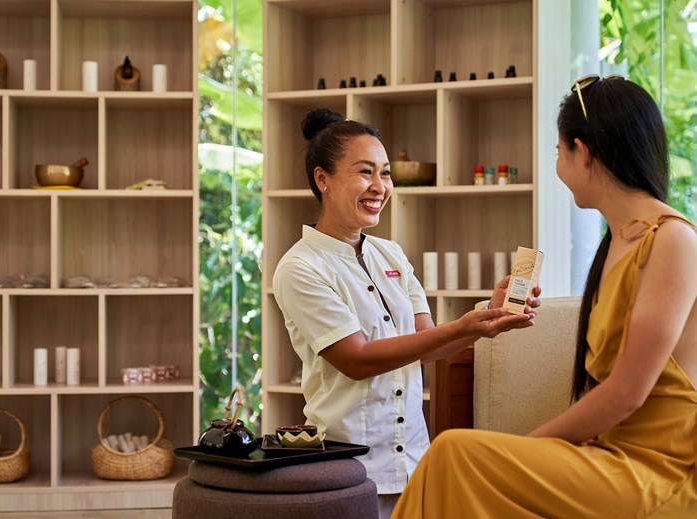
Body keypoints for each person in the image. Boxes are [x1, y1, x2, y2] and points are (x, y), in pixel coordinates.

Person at [391, 76, 697, 518]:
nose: (557, 165)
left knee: (455, 452)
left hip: (661, 468)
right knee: (452, 457)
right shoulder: (616, 244)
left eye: (558, 152)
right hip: (608, 455)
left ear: (583, 151)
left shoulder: (672, 240)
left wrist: (526, 448)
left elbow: (627, 393)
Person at [272, 108, 540, 518]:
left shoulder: (390, 253)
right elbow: (356, 361)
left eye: (386, 173)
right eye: (365, 172)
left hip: (416, 462)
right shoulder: (300, 267)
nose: (379, 186)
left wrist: (489, 316)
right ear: (322, 179)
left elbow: (428, 344)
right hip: (350, 468)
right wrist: (466, 325)